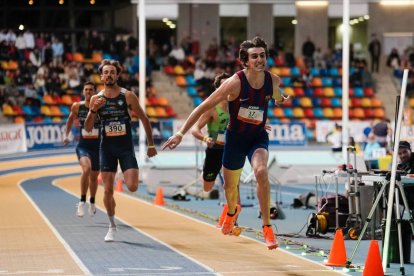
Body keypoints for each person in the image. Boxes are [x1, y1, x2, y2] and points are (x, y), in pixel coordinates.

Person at [162, 36, 289, 250]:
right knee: (231, 188)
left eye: (262, 55)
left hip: (257, 137)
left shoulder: (273, 80)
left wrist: (281, 99)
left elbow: (276, 94)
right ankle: (231, 212)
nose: (259, 60)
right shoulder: (235, 83)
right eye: (254, 56)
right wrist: (181, 133)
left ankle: (267, 228)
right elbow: (203, 106)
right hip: (235, 140)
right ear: (245, 61)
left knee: (261, 172)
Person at [85, 59, 157, 242]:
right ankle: (112, 225)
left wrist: (150, 145)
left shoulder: (128, 96)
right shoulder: (96, 99)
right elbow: (87, 127)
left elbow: (145, 119)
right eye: (105, 72)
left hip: (125, 148)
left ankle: (121, 174)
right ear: (101, 76)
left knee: (132, 186)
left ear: (117, 76)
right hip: (107, 148)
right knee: (108, 191)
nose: (109, 75)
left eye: (112, 72)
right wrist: (93, 111)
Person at [63, 81, 100, 217]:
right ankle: (82, 201)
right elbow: (70, 120)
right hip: (83, 146)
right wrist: (66, 135)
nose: (88, 92)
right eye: (86, 90)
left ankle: (92, 201)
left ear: (95, 92)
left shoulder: (100, 107)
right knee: (86, 169)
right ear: (83, 92)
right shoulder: (77, 107)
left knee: (94, 178)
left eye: (91, 90)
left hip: (98, 147)